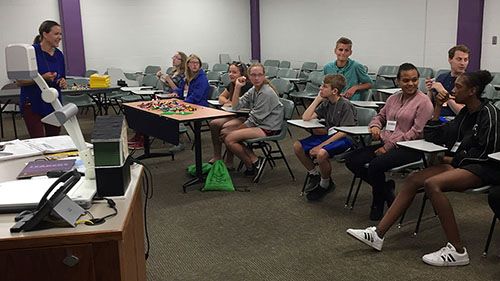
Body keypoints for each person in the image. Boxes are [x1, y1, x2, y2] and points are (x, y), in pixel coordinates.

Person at [347, 70, 500, 267]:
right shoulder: (465, 113)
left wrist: (449, 158)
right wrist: (437, 106)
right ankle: (378, 234)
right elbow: (435, 136)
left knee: (432, 184)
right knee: (413, 179)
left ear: (473, 91)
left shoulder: (490, 113)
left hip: (484, 168)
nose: (453, 90)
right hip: (462, 164)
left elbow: (487, 152)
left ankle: (458, 250)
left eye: (459, 87)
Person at [345, 63, 433, 220]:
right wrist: (375, 126)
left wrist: (387, 147)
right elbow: (380, 116)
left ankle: (377, 202)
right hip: (387, 143)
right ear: (398, 81)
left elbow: (416, 132)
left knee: (375, 166)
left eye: (414, 80)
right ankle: (385, 189)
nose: (411, 83)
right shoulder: (393, 98)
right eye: (406, 80)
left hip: (410, 148)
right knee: (352, 160)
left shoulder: (424, 102)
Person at [293, 74, 357, 201]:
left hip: (345, 139)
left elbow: (343, 132)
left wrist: (320, 146)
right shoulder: (327, 103)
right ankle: (314, 174)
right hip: (330, 135)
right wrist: (317, 99)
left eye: (324, 86)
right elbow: (306, 117)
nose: (321, 88)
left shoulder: (345, 105)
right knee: (297, 146)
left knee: (321, 154)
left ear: (334, 91)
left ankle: (325, 184)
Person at [224, 63, 284, 177]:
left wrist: (237, 130)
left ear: (264, 76)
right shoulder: (254, 89)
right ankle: (254, 162)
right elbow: (236, 106)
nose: (256, 78)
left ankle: (253, 162)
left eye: (260, 75)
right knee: (230, 136)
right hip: (259, 124)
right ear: (248, 76)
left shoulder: (266, 92)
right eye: (253, 75)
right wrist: (237, 87)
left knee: (230, 139)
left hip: (269, 127)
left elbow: (255, 118)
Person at [16, 20, 67, 138]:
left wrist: (62, 81)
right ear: (45, 34)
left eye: (60, 34)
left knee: (54, 140)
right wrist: (41, 79)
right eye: (56, 34)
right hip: (33, 103)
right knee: (38, 139)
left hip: (53, 103)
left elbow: (62, 76)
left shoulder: (59, 55)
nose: (60, 37)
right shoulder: (30, 52)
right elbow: (19, 81)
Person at [128, 51, 187, 149]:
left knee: (150, 113)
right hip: (165, 96)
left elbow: (177, 89)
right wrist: (161, 78)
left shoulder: (183, 74)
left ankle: (144, 138)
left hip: (174, 99)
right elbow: (167, 86)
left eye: (176, 58)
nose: (173, 59)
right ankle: (139, 136)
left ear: (182, 61)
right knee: (141, 110)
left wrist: (168, 79)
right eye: (173, 57)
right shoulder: (173, 72)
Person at [208, 62, 253, 169]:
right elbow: (221, 97)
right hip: (233, 114)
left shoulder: (247, 86)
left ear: (242, 74)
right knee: (214, 123)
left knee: (226, 127)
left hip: (245, 116)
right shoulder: (232, 84)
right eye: (229, 72)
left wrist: (231, 102)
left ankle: (230, 160)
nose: (230, 74)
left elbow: (242, 106)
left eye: (234, 72)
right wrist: (227, 102)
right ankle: (217, 156)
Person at [425, 45, 470, 117]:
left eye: (465, 60)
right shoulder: (442, 77)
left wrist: (443, 92)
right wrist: (429, 90)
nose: (462, 63)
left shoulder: (469, 81)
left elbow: (462, 113)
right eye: (459, 59)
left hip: (455, 120)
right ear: (450, 59)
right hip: (437, 118)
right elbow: (428, 107)